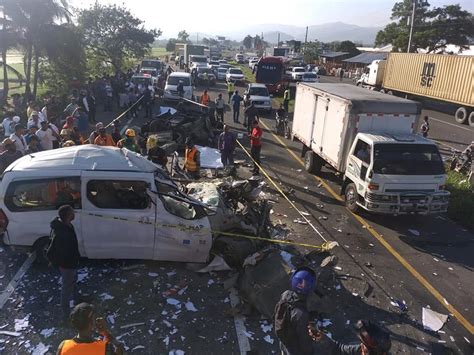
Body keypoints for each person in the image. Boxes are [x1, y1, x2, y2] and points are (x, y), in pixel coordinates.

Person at [48, 205, 88, 321]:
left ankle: (77, 299)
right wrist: (61, 263)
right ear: (68, 215)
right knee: (66, 287)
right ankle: (65, 313)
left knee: (73, 281)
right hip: (67, 265)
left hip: (72, 262)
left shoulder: (68, 226)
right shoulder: (61, 233)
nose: (74, 213)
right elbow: (53, 250)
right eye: (72, 212)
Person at [274, 267, 317, 355]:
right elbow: (303, 339)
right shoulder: (301, 314)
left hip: (283, 337)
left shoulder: (285, 294)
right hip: (292, 347)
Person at [57, 303, 124, 355]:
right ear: (91, 323)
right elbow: (120, 349)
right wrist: (105, 332)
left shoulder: (63, 346)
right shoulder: (104, 348)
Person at [308, 319, 391, 355]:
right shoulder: (360, 350)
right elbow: (340, 349)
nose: (361, 346)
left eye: (365, 346)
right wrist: (323, 338)